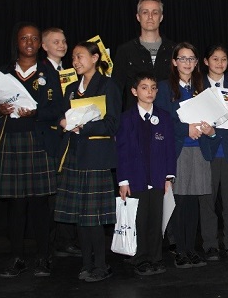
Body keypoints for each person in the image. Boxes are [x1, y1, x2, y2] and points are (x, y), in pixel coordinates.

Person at [0, 22, 63, 278]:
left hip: (39, 142)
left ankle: (43, 256)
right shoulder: (3, 72)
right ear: (17, 42)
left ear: (40, 44)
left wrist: (39, 112)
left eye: (34, 39)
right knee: (16, 206)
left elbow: (60, 108)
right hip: (10, 143)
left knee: (40, 205)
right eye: (24, 38)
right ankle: (16, 256)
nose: (29, 42)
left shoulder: (50, 72)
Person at [55, 41, 121, 282]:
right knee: (81, 217)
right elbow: (63, 117)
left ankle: (101, 265)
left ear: (95, 58)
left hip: (96, 158)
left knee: (94, 219)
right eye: (73, 57)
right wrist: (63, 123)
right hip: (74, 156)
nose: (75, 61)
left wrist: (85, 127)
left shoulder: (108, 85)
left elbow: (113, 123)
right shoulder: (71, 88)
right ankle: (86, 264)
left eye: (80, 56)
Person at [155, 42, 216, 268]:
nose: (187, 63)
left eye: (191, 59)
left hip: (199, 151)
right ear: (174, 62)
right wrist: (185, 129)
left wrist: (211, 130)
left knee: (193, 204)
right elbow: (160, 122)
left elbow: (215, 118)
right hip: (178, 151)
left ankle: (190, 248)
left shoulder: (203, 87)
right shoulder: (163, 88)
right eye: (183, 58)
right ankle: (180, 250)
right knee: (179, 203)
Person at [116, 71, 176, 276]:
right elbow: (122, 151)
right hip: (136, 179)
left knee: (155, 220)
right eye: (144, 87)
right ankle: (140, 257)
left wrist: (169, 176)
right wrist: (123, 180)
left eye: (153, 88)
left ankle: (156, 257)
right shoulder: (126, 119)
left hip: (158, 178)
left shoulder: (164, 117)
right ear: (134, 91)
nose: (149, 92)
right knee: (139, 220)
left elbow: (170, 149)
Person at [198, 45, 228, 261]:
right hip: (205, 152)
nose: (220, 63)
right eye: (215, 59)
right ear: (206, 61)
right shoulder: (197, 87)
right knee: (207, 202)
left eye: (224, 59)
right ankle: (209, 245)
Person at [39, 27, 82, 258]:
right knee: (51, 194)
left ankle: (66, 239)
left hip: (69, 137)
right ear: (44, 46)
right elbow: (42, 108)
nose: (61, 45)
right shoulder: (41, 72)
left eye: (64, 41)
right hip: (50, 139)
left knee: (66, 190)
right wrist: (61, 119)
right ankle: (50, 242)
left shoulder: (70, 71)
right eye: (55, 42)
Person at [112, 0, 176, 110]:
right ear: (138, 17)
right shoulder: (125, 51)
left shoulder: (174, 50)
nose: (150, 17)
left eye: (155, 13)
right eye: (145, 12)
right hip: (134, 120)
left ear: (161, 17)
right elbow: (116, 91)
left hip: (169, 118)